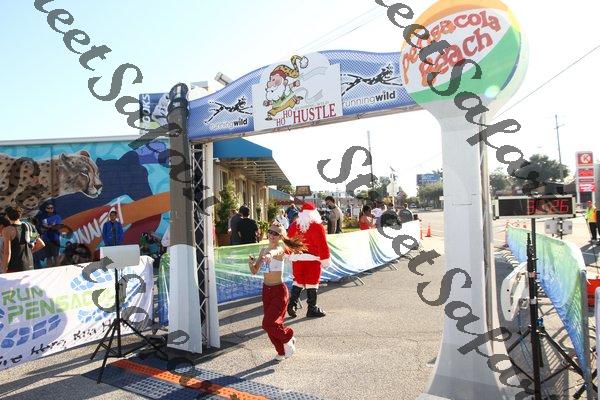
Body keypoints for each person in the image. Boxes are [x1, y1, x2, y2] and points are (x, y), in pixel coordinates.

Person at [248, 222, 305, 361]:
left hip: (279, 292)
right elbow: (255, 271)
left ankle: (288, 337)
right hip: (266, 291)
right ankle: (281, 351)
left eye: (276, 233)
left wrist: (269, 255)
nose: (272, 235)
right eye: (270, 232)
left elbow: (275, 252)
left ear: (280, 237)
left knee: (268, 324)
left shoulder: (279, 249)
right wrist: (251, 263)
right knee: (273, 325)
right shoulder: (263, 250)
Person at [287, 202, 331, 318]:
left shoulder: (294, 225)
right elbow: (322, 244)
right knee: (312, 282)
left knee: (298, 281)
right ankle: (312, 308)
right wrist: (325, 259)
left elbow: (288, 242)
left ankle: (292, 305)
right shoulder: (317, 226)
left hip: (297, 258)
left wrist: (288, 254)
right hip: (313, 259)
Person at [2, 206, 45, 273]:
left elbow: (7, 253)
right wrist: (28, 252)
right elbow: (41, 244)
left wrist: (4, 269)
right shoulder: (30, 227)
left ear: (7, 216)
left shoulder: (7, 230)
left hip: (14, 267)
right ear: (20, 215)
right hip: (29, 265)